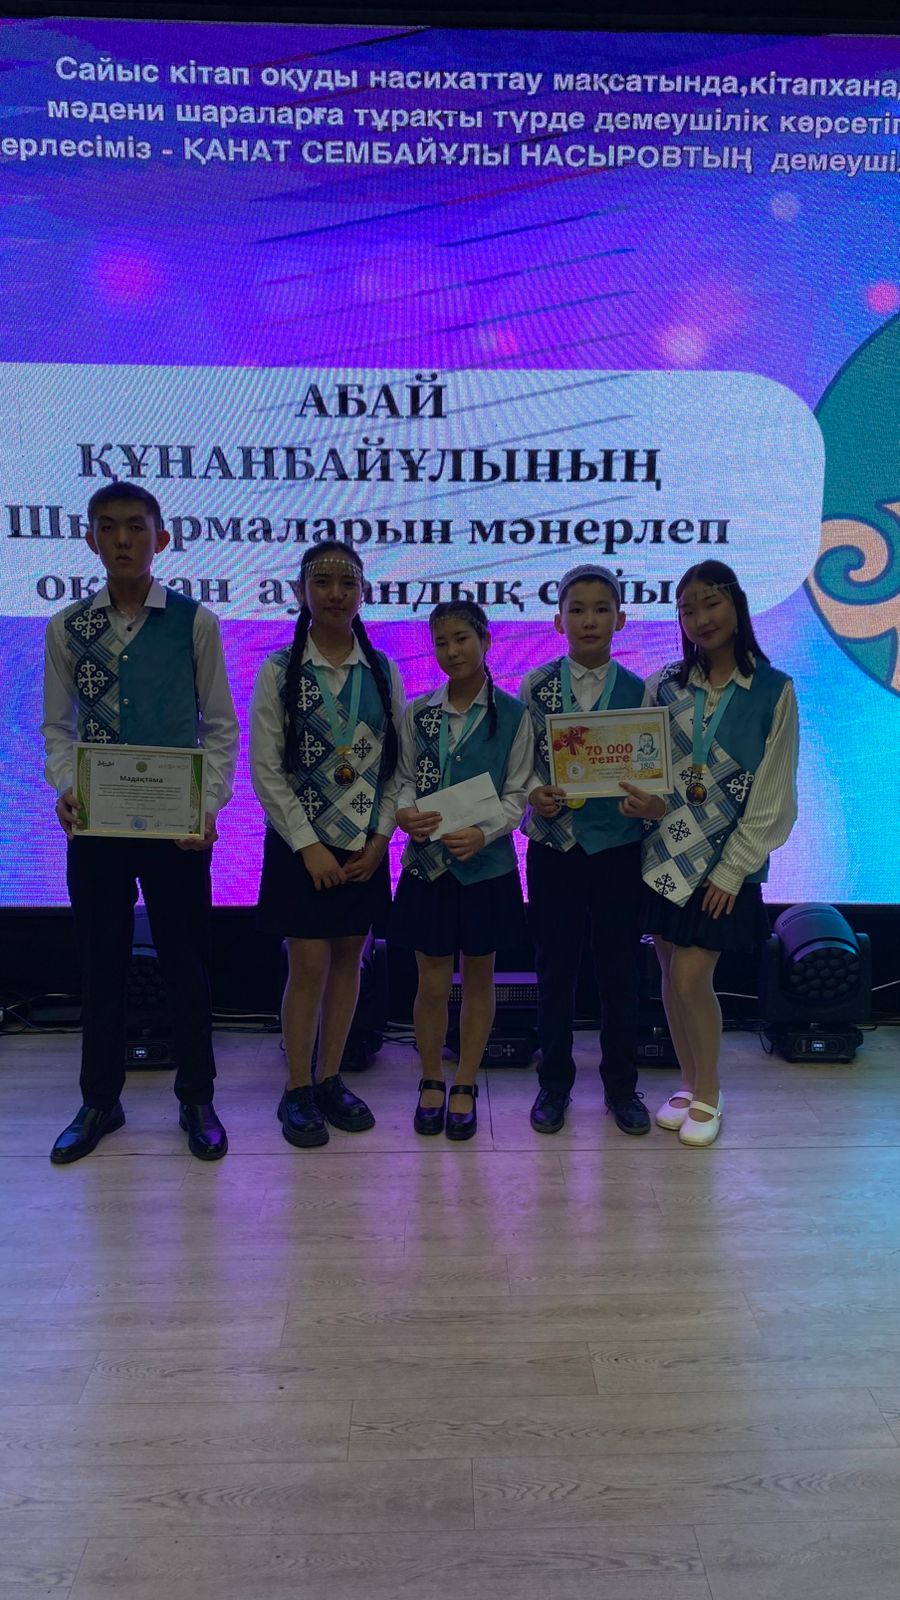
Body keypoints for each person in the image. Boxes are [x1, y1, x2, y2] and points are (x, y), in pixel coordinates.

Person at [42, 482, 239, 1164]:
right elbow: (56, 728)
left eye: (135, 526)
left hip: (176, 826)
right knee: (101, 965)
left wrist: (209, 804)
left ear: (161, 538)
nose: (122, 539)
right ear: (90, 540)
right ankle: (100, 1099)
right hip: (96, 827)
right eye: (108, 527)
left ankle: (197, 1097)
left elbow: (220, 726)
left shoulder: (195, 622)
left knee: (188, 963)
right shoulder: (67, 627)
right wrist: (67, 787)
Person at [620, 559, 799, 1147]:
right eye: (687, 609)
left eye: (711, 603)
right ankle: (690, 1081)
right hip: (665, 855)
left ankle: (711, 1090)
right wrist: (646, 803)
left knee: (692, 975)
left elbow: (774, 794)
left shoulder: (773, 690)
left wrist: (732, 869)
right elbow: (650, 770)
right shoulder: (663, 685)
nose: (700, 618)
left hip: (724, 865)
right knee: (670, 973)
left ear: (737, 607)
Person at [250, 540, 403, 1149]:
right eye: (322, 581)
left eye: (348, 582)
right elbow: (266, 770)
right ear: (300, 592)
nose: (336, 593)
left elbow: (398, 768)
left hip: (364, 845)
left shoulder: (383, 670)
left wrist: (382, 838)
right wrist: (308, 846)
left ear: (364, 592)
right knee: (308, 964)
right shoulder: (278, 670)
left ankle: (331, 1077)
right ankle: (297, 1088)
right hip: (299, 846)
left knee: (349, 959)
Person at [392, 600, 533, 1140]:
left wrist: (484, 832)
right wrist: (405, 811)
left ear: (485, 641)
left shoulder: (514, 715)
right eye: (441, 642)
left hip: (486, 868)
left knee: (478, 978)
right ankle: (431, 1077)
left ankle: (467, 1080)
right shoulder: (418, 713)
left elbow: (518, 794)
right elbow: (404, 779)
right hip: (428, 866)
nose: (451, 651)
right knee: (430, 982)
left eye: (461, 639)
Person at [521, 563, 650, 1137]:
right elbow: (521, 765)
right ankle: (554, 1083)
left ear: (620, 620)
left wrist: (647, 800)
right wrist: (534, 793)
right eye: (577, 609)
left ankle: (622, 1086)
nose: (589, 620)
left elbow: (653, 769)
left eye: (601, 609)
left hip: (619, 848)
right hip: (555, 848)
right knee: (555, 969)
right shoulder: (535, 685)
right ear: (559, 621)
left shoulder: (642, 691)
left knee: (619, 971)